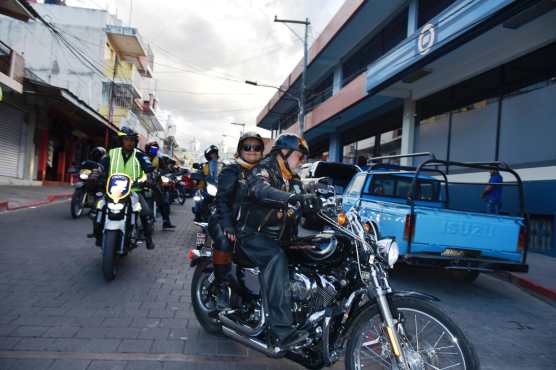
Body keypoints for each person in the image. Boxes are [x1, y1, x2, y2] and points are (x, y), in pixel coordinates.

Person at [237, 133, 321, 349]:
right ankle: (281, 329)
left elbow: (302, 205)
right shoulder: (264, 168)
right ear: (284, 153)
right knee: (276, 258)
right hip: (252, 235)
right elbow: (260, 190)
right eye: (299, 157)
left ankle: (309, 313)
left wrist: (317, 206)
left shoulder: (292, 179)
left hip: (280, 237)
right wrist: (292, 199)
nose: (301, 162)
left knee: (314, 254)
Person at [209, 132, 265, 309]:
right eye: (247, 147)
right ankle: (221, 288)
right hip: (224, 217)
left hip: (250, 222)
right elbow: (222, 201)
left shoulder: (265, 172)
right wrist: (227, 225)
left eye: (256, 147)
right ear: (240, 150)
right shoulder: (231, 170)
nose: (252, 151)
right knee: (225, 242)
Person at [95, 127, 156, 249]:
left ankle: (148, 239)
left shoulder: (140, 155)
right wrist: (96, 172)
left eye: (132, 140)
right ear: (122, 140)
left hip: (133, 191)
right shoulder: (112, 153)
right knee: (98, 208)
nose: (130, 142)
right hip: (113, 191)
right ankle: (97, 234)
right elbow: (102, 166)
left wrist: (149, 177)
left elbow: (148, 168)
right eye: (127, 139)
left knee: (145, 213)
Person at [145, 142, 176, 230]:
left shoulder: (159, 159)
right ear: (148, 149)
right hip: (143, 183)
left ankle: (166, 222)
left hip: (156, 184)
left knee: (164, 203)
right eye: (152, 148)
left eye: (156, 149)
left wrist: (160, 174)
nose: (154, 150)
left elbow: (165, 170)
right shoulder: (142, 157)